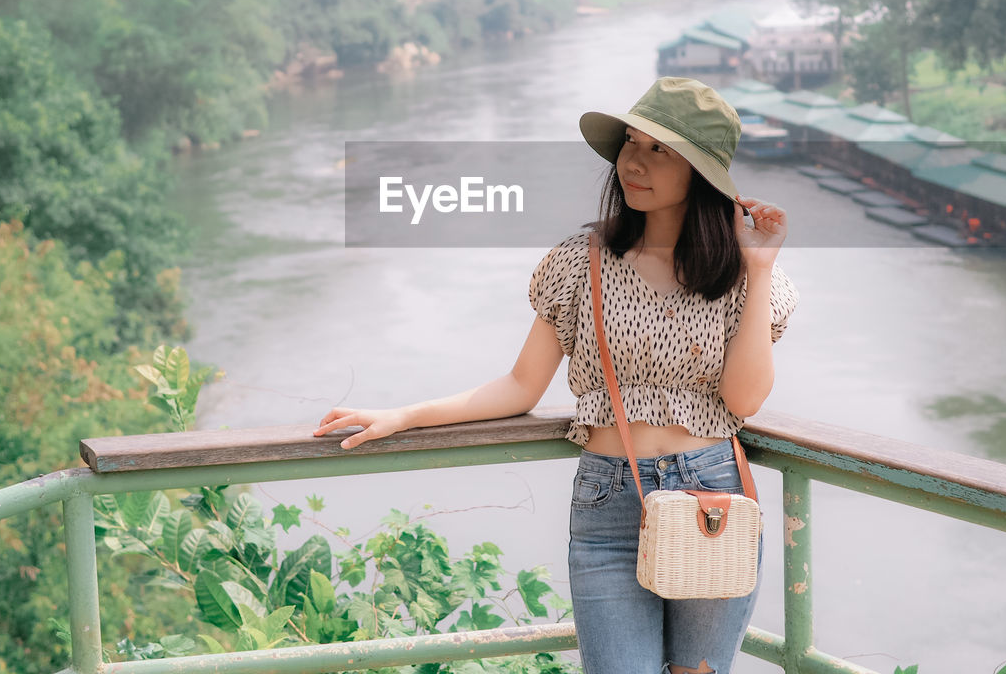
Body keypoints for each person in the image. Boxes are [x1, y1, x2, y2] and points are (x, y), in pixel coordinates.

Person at [314, 77, 799, 674]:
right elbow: (520, 386)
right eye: (630, 143)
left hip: (713, 495)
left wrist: (757, 267)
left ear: (700, 174)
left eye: (659, 151)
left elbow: (744, 398)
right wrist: (404, 415)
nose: (632, 163)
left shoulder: (742, 275)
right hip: (609, 499)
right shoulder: (581, 261)